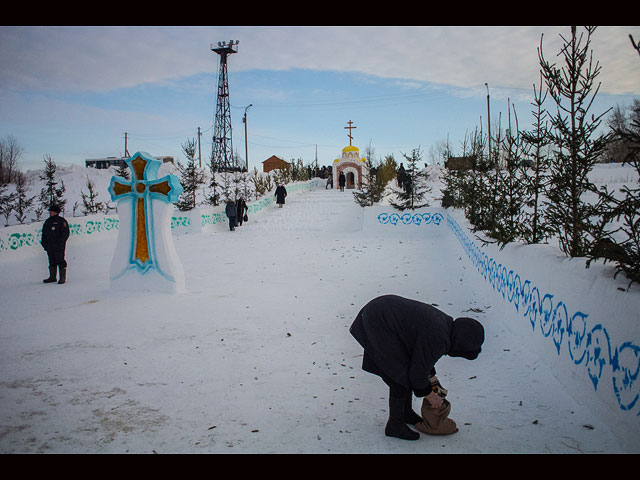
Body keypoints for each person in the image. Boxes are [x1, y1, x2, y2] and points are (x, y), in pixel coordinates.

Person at [349, 294, 484, 440]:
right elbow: (417, 372)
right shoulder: (439, 338)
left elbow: (421, 356)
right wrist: (430, 395)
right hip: (379, 320)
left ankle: (405, 412)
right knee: (399, 376)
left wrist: (430, 377)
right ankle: (395, 425)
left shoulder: (445, 325)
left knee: (405, 371)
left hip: (381, 311)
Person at [41, 204, 70, 284]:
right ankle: (52, 277)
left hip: (58, 246)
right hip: (49, 245)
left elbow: (65, 233)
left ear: (56, 212)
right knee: (51, 260)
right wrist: (44, 243)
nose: (50, 212)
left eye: (51, 211)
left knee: (60, 260)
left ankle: (62, 277)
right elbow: (44, 233)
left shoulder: (61, 221)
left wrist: (60, 243)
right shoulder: (48, 221)